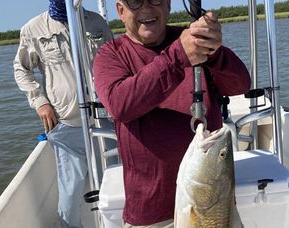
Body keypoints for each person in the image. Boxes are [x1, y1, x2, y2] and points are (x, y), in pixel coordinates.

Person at [93, 0, 250, 227]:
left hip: (213, 203)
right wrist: (178, 57)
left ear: (167, 5)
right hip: (150, 212)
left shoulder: (193, 41)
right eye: (135, 2)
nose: (146, 9)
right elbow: (121, 105)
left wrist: (215, 52)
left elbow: (240, 85)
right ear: (120, 10)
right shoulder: (111, 54)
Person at [13, 0, 112, 227]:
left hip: (104, 118)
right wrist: (40, 102)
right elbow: (21, 70)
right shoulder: (33, 28)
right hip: (67, 123)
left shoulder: (97, 23)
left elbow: (114, 63)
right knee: (72, 189)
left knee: (111, 180)